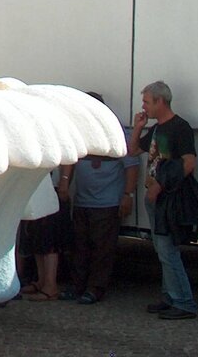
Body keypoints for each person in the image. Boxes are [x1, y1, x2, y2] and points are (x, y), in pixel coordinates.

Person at [128, 80, 198, 320]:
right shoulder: (156, 129)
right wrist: (138, 128)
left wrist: (159, 186)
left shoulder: (179, 127)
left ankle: (184, 302)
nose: (144, 106)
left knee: (167, 250)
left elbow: (189, 163)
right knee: (162, 249)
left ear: (160, 101)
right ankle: (170, 296)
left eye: (146, 102)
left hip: (167, 199)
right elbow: (133, 151)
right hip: (155, 197)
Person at [60, 92, 140, 304]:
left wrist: (127, 195)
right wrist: (65, 182)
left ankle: (95, 289)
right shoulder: (79, 132)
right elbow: (71, 158)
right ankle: (76, 286)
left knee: (102, 249)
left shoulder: (117, 132)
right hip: (82, 201)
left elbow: (131, 166)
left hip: (108, 203)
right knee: (79, 246)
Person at [18, 164, 75, 301]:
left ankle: (51, 286)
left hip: (52, 186)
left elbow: (67, 159)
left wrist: (64, 180)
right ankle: (42, 281)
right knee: (37, 236)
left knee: (49, 237)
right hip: (37, 187)